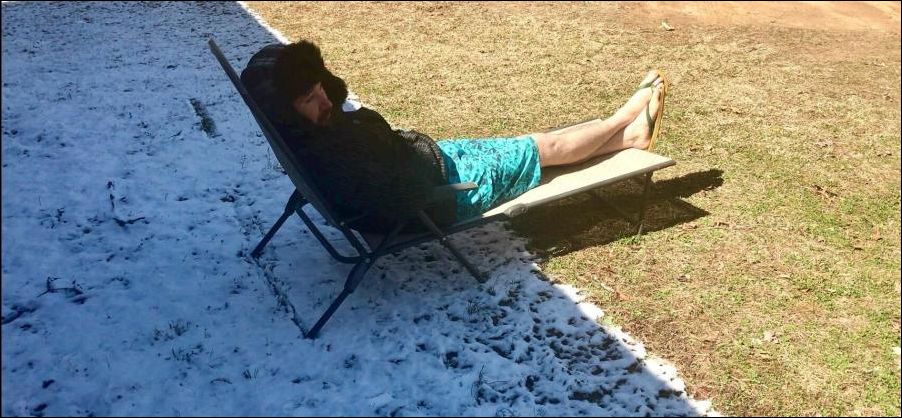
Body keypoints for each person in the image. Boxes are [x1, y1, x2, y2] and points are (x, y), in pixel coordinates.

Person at [240, 40, 666, 234]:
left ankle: (626, 136)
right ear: (289, 110)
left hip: (434, 160)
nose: (324, 101)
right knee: (541, 147)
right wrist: (431, 179)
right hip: (450, 191)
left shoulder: (308, 137)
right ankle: (624, 121)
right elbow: (402, 196)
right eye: (310, 98)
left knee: (530, 142)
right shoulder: (339, 159)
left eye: (321, 89)